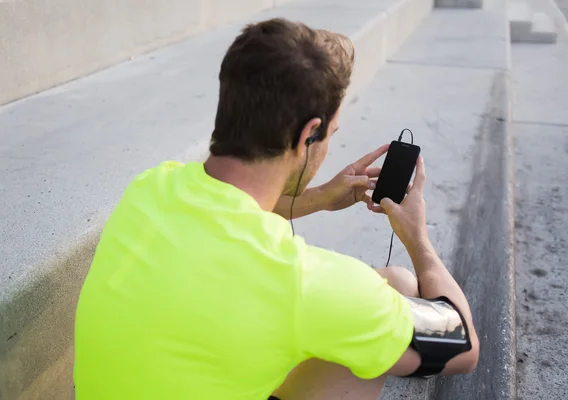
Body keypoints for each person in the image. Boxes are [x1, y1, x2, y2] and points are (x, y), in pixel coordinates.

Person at [73, 18, 479, 400]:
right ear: (308, 135)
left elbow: (231, 205)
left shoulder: (151, 186)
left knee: (391, 290)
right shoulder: (302, 282)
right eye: (331, 134)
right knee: (398, 289)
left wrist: (318, 198)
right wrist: (417, 236)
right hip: (310, 305)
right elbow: (463, 345)